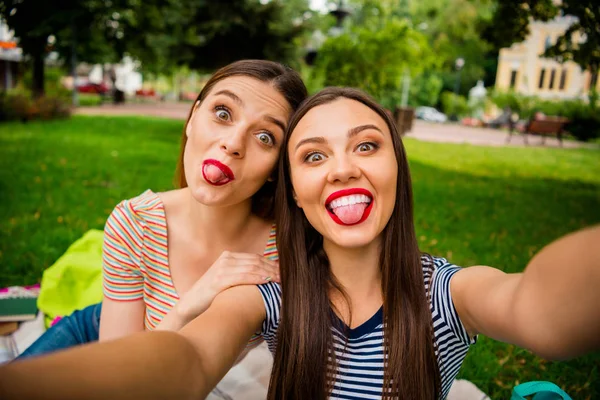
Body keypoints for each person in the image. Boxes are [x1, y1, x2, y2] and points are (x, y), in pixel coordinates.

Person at [1, 88, 599, 400]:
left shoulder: (445, 292)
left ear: (399, 168)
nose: (340, 169)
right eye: (314, 156)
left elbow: (539, 311)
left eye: (366, 145)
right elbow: (186, 361)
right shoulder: (271, 300)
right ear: (298, 191)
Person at [15, 59, 307, 397]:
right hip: (92, 331)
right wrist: (193, 301)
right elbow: (119, 377)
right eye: (223, 114)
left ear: (276, 168)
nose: (233, 143)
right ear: (192, 119)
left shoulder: (285, 249)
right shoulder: (136, 221)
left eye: (265, 137)